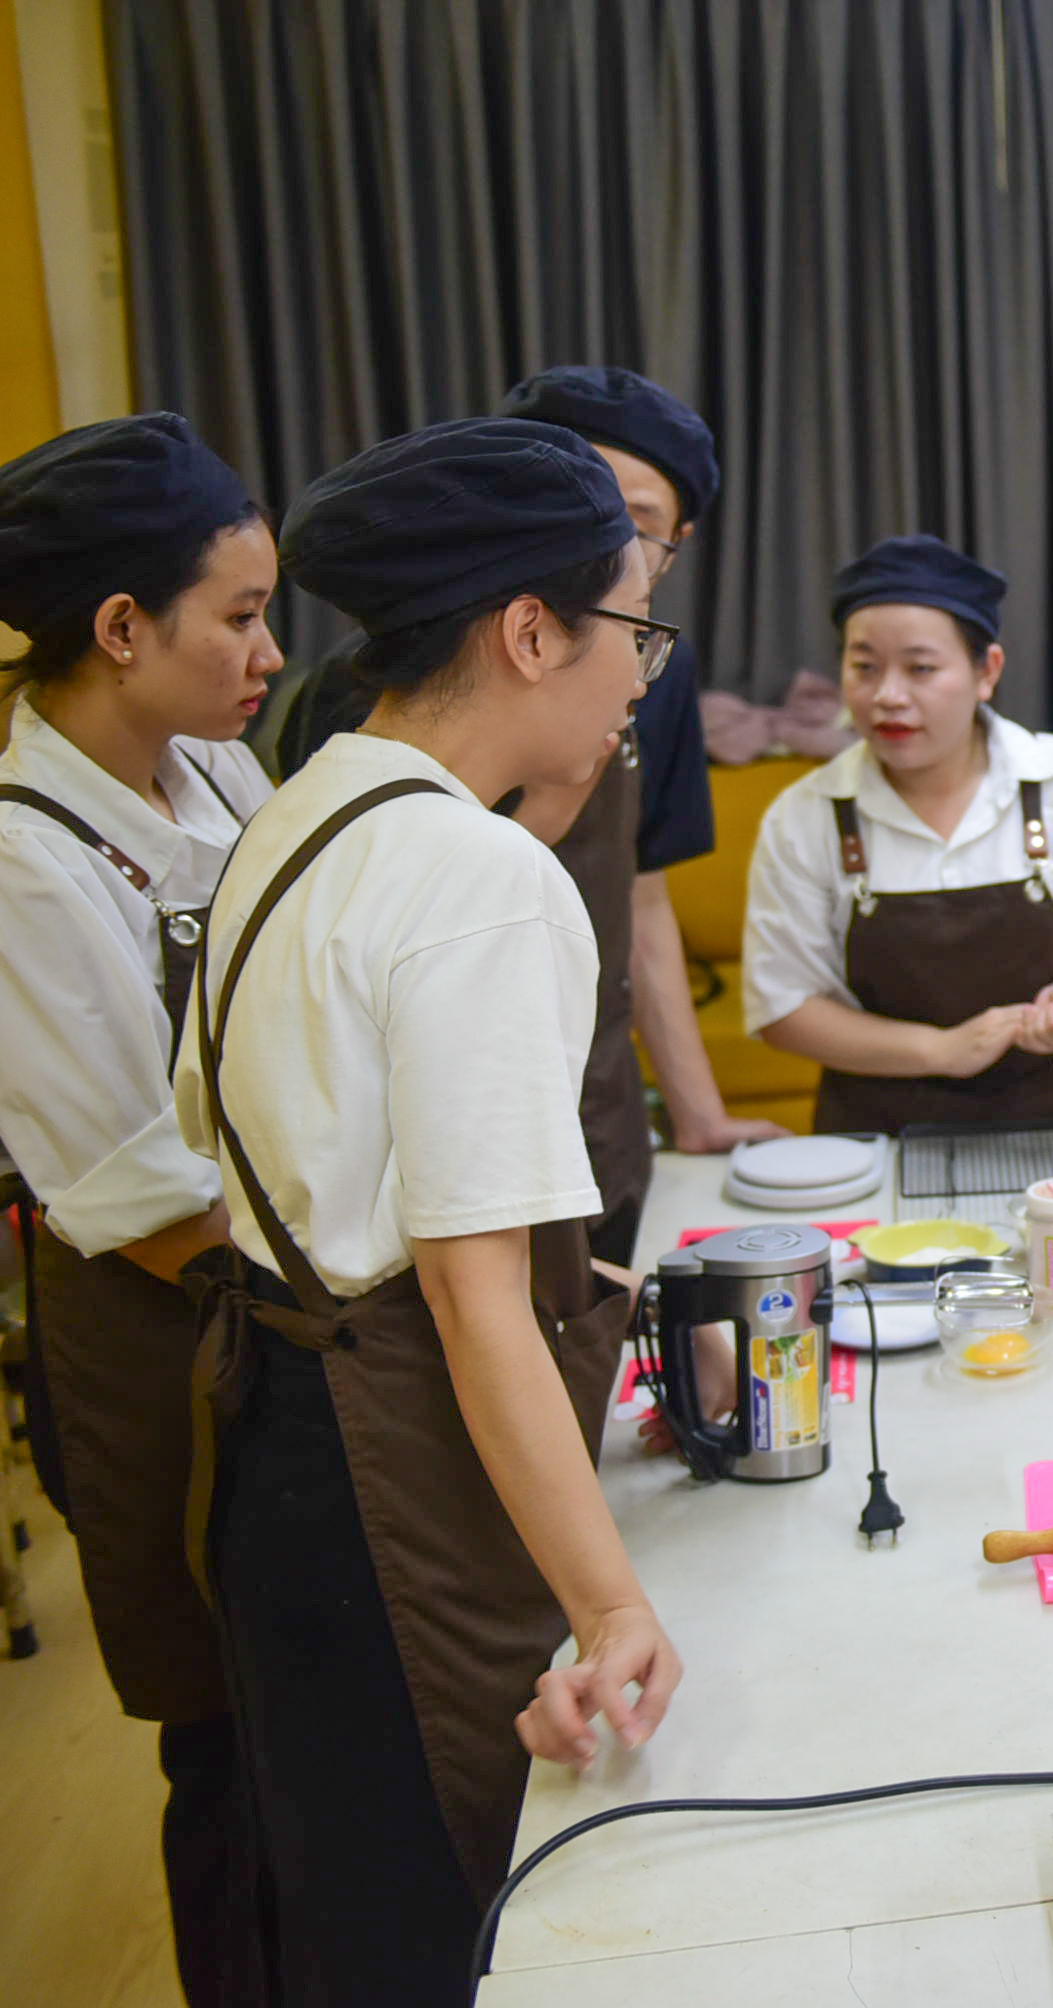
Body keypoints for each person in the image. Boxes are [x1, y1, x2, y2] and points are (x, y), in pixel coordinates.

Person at [175, 417, 687, 2005]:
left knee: (346, 1897)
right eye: (632, 631)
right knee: (455, 1918)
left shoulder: (295, 811)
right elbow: (476, 1306)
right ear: (531, 632)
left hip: (268, 1440)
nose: (638, 679)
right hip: (386, 1471)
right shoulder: (472, 877)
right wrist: (612, 1605)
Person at [276, 365, 784, 1264]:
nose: (606, 540)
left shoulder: (657, 676)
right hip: (437, 1141)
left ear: (677, 546)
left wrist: (698, 1115)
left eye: (641, 525)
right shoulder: (386, 685)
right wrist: (561, 775)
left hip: (597, 1106)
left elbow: (645, 900)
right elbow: (407, 906)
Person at [0, 412, 277, 2006]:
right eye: (237, 615)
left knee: (308, 1719)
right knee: (226, 1743)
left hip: (281, 1297)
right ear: (121, 629)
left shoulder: (217, 766)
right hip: (172, 1342)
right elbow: (141, 1193)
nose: (266, 651)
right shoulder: (32, 861)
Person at [740, 533, 1053, 1131]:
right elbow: (783, 1006)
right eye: (864, 667)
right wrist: (940, 1051)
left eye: (921, 668)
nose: (889, 696)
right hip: (877, 1134)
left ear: (986, 671)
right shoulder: (806, 815)